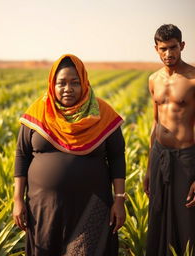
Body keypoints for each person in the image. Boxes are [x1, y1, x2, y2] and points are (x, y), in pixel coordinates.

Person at [13, 54, 126, 256]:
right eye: (61, 83)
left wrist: (119, 200)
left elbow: (117, 157)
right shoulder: (37, 113)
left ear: (84, 82)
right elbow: (22, 155)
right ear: (52, 84)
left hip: (91, 207)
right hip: (43, 209)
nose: (68, 89)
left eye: (75, 82)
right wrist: (17, 199)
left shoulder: (102, 113)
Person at [143, 24, 195, 256]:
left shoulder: (193, 79)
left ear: (182, 46)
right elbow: (155, 124)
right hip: (160, 154)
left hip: (186, 158)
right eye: (163, 48)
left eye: (173, 47)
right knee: (158, 214)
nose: (168, 53)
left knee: (187, 218)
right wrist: (148, 167)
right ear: (156, 49)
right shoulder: (154, 79)